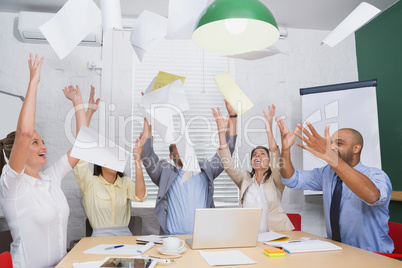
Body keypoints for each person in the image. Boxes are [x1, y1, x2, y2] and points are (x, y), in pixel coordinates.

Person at [0, 54, 89, 267]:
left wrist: (78, 103)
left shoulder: (50, 178)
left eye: (43, 141)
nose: (44, 146)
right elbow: (23, 132)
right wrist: (34, 82)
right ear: (17, 152)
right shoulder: (11, 185)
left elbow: (84, 144)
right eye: (35, 143)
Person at [276, 117, 394, 253]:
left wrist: (330, 157)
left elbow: (372, 196)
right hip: (338, 252)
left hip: (372, 256)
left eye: (339, 143)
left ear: (356, 148)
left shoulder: (376, 175)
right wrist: (285, 149)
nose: (331, 147)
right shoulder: (327, 173)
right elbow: (291, 179)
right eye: (330, 143)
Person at [141, 100, 237, 235]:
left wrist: (233, 117)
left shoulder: (206, 169)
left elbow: (228, 150)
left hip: (202, 238)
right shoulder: (165, 172)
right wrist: (148, 115)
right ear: (171, 155)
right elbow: (146, 154)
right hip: (173, 240)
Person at [214, 105, 294, 232]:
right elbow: (228, 164)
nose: (258, 156)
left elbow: (276, 158)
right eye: (255, 155)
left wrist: (268, 130)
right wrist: (220, 131)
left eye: (262, 154)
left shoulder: (277, 180)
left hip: (276, 236)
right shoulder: (244, 179)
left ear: (269, 162)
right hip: (249, 235)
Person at [73, 103, 147, 236]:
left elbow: (140, 197)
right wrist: (88, 113)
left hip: (124, 237)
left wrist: (137, 159)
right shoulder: (90, 183)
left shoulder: (125, 183)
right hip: (99, 238)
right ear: (99, 162)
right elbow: (80, 151)